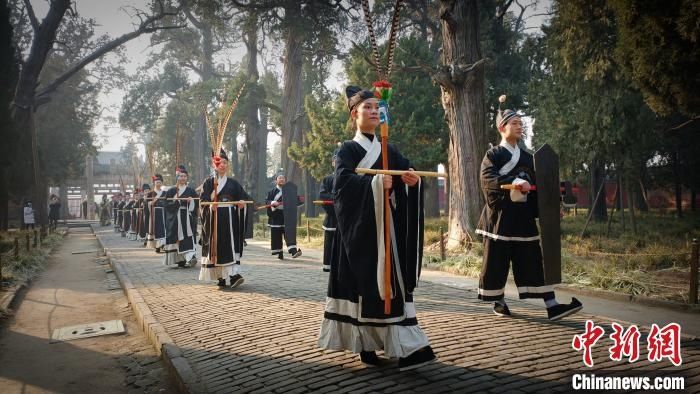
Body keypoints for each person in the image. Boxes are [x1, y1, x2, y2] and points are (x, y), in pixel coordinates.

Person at [317, 86, 435, 371]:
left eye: (375, 107)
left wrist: (412, 181)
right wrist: (372, 185)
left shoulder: (389, 149)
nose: (372, 111)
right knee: (363, 288)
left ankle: (407, 346)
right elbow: (341, 185)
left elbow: (410, 172)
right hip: (359, 236)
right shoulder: (347, 150)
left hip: (388, 234)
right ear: (354, 114)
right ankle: (365, 344)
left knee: (392, 288)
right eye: (366, 107)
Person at [475, 95, 582, 321]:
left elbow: (538, 190)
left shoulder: (528, 157)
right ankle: (499, 301)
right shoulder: (493, 154)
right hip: (501, 218)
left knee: (534, 261)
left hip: (523, 220)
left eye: (520, 123)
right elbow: (487, 179)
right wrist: (513, 182)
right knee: (496, 262)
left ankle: (552, 306)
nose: (519, 126)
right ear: (502, 128)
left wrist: (548, 210)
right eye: (514, 123)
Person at [199, 149, 251, 288]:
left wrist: (241, 204)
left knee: (230, 246)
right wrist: (210, 207)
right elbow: (202, 202)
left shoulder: (233, 183)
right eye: (220, 162)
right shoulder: (209, 183)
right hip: (215, 219)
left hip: (230, 220)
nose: (222, 165)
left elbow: (245, 198)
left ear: (228, 165)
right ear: (214, 165)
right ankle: (220, 277)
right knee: (217, 247)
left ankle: (234, 276)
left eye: (225, 162)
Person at [163, 166, 198, 268]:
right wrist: (176, 202)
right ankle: (179, 259)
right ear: (177, 177)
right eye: (180, 176)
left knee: (188, 236)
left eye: (184, 176)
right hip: (175, 218)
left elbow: (196, 203)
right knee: (176, 237)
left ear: (187, 178)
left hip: (187, 217)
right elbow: (166, 205)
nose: (182, 178)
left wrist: (191, 201)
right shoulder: (171, 191)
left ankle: (191, 257)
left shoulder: (191, 190)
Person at [265, 175, 302, 260]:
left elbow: (296, 200)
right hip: (276, 215)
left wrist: (300, 200)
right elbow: (267, 201)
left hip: (287, 215)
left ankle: (293, 251)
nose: (281, 179)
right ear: (276, 180)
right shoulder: (271, 192)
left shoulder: (290, 191)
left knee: (289, 233)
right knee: (277, 234)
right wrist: (273, 202)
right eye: (279, 178)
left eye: (283, 178)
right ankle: (279, 252)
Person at [319, 149, 339, 272]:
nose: (338, 162)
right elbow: (322, 195)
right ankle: (328, 265)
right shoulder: (327, 179)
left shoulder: (351, 178)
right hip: (332, 217)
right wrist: (336, 201)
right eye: (335, 160)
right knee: (330, 242)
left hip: (347, 217)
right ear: (332, 162)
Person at [148, 175, 167, 252]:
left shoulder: (165, 193)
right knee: (157, 228)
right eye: (157, 182)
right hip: (156, 212)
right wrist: (153, 201)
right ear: (154, 183)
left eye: (160, 182)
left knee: (164, 228)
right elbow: (148, 203)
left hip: (164, 211)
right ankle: (157, 246)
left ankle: (163, 244)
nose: (158, 183)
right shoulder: (151, 193)